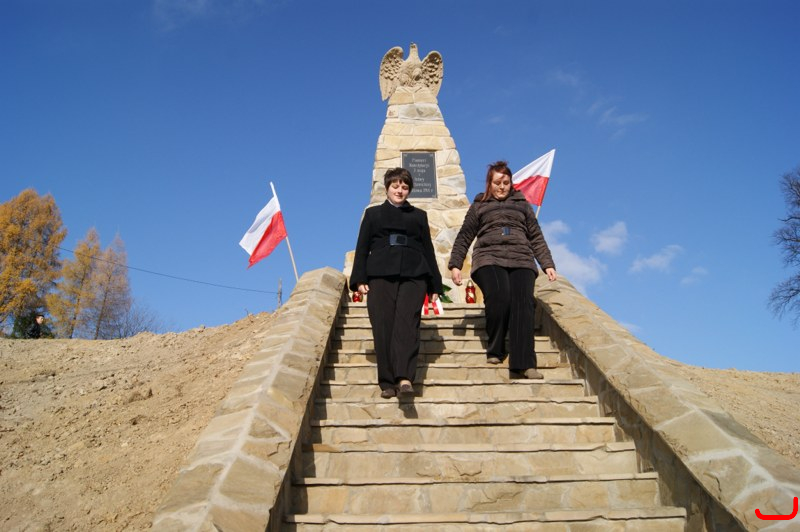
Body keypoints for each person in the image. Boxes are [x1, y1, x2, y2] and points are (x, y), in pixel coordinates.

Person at [448, 160, 558, 379]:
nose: (501, 187)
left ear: (511, 183)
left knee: (523, 304)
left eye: (506, 183)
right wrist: (455, 264)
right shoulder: (479, 205)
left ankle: (524, 364)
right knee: (500, 296)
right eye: (497, 182)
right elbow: (465, 236)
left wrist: (547, 264)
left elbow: (535, 236)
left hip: (521, 259)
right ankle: (496, 347)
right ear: (489, 183)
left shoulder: (522, 204)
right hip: (488, 258)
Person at [350, 168, 443, 398]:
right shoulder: (373, 214)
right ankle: (387, 382)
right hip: (380, 273)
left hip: (414, 273)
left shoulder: (419, 216)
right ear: (387, 188)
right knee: (383, 325)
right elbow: (362, 247)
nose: (400, 191)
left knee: (407, 324)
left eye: (404, 187)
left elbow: (428, 250)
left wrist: (435, 284)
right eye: (395, 186)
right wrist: (359, 278)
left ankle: (404, 378)